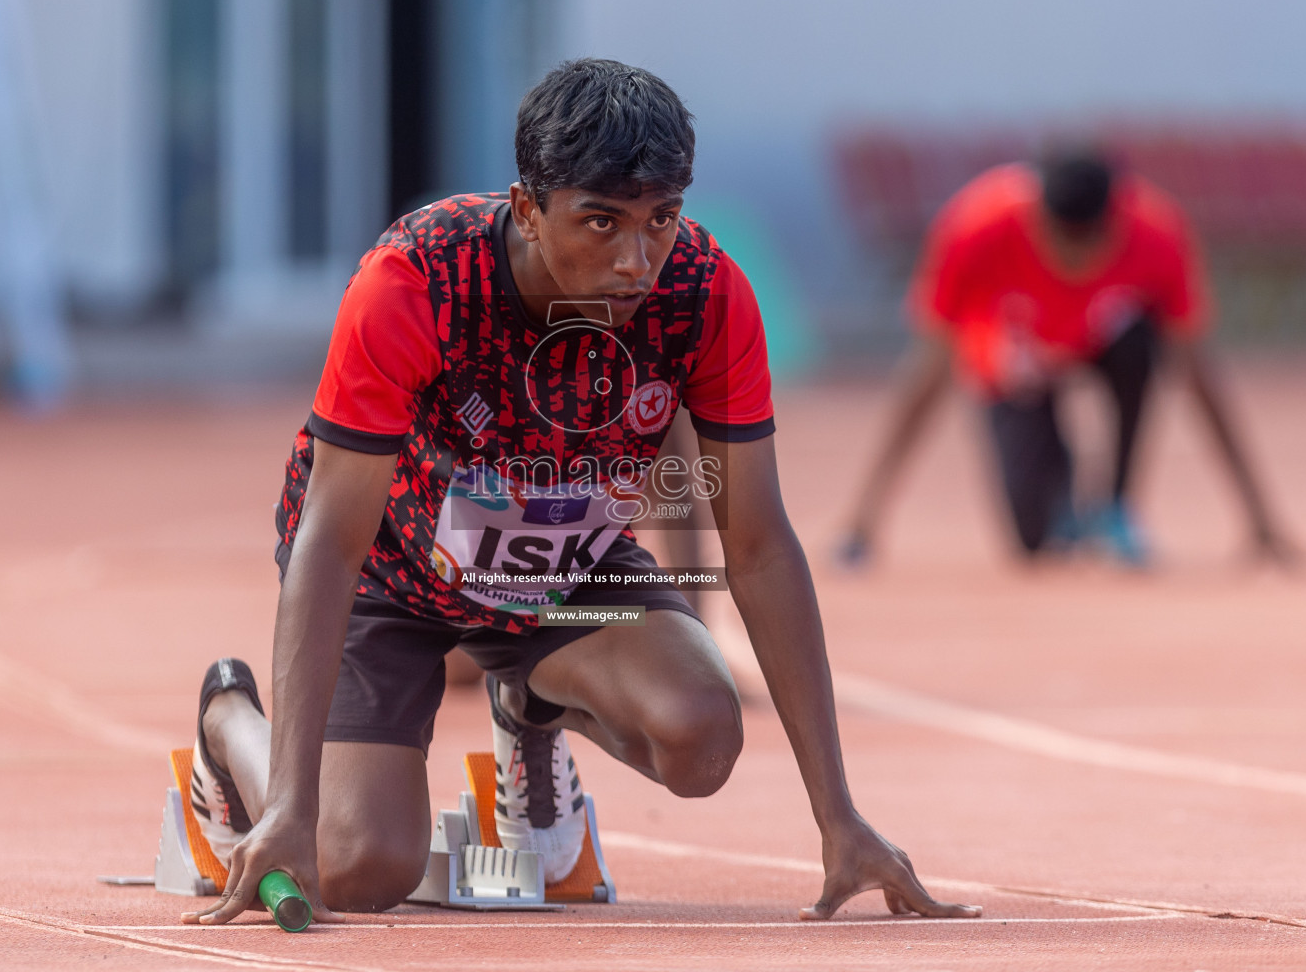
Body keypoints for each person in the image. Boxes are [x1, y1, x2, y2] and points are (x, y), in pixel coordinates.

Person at [181, 59, 980, 927]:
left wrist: (839, 816)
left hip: (568, 575)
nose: (636, 259)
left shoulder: (706, 294)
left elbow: (757, 544)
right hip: (393, 571)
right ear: (528, 208)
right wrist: (291, 810)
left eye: (660, 221)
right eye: (601, 222)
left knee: (703, 738)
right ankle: (232, 726)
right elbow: (329, 542)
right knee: (358, 863)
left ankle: (526, 704)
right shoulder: (413, 284)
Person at [839, 149, 1294, 567]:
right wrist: (864, 518)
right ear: (1037, 218)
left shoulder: (1157, 231)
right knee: (1035, 542)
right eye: (1062, 242)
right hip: (1013, 355)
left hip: (1103, 337)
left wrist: (1260, 516)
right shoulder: (976, 226)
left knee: (1141, 343)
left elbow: (1200, 373)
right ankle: (1063, 502)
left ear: (1115, 222)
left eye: (1089, 243)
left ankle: (1116, 504)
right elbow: (927, 372)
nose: (1075, 260)